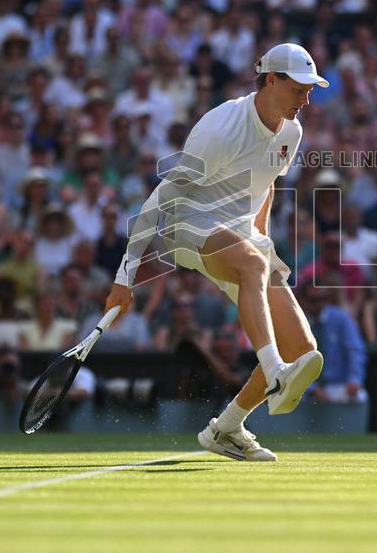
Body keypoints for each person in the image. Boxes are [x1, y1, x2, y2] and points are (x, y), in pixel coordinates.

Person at [104, 43, 328, 462]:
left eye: (310, 90)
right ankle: (274, 370)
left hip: (241, 235)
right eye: (299, 88)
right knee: (255, 274)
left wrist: (260, 235)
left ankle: (226, 429)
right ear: (271, 80)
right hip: (187, 226)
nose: (306, 98)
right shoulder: (221, 129)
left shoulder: (292, 132)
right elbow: (158, 201)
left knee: (303, 350)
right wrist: (123, 278)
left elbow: (269, 181)